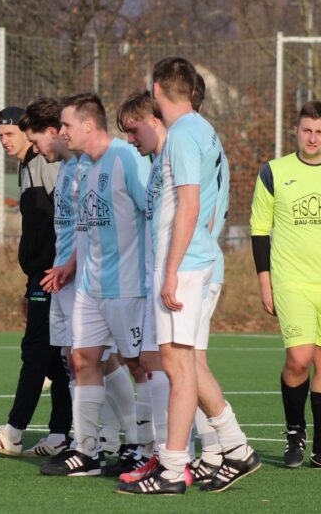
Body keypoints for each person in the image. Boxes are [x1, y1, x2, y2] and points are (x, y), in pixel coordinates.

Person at [120, 57, 258, 495]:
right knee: (191, 364)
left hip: (187, 264)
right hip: (201, 261)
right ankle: (236, 447)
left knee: (178, 368)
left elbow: (190, 206)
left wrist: (172, 270)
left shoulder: (181, 134)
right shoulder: (203, 129)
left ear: (158, 88)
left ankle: (172, 467)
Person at [40, 92, 150, 477]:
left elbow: (151, 216)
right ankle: (87, 451)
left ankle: (145, 447)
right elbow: (85, 227)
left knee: (140, 365)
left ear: (88, 125)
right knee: (82, 360)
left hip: (127, 286)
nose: (62, 132)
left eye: (67, 125)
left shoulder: (127, 159)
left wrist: (154, 275)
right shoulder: (83, 165)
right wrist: (71, 264)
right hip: (89, 285)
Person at [251, 100, 321, 470]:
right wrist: (265, 281)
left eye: (319, 132)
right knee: (299, 359)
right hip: (291, 280)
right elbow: (260, 230)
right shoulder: (273, 172)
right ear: (296, 131)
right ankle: (295, 431)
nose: (312, 138)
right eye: (306, 130)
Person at [0, 106, 72, 457]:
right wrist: (29, 285)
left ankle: (13, 432)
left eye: (8, 134)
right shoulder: (27, 166)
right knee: (57, 359)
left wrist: (52, 274)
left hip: (54, 276)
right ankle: (60, 435)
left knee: (38, 352)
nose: (4, 142)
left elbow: (61, 226)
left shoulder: (50, 163)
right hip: (41, 277)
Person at [114, 90, 171, 483]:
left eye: (133, 131)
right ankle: (153, 450)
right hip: (150, 278)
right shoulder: (151, 163)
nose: (130, 140)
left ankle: (220, 446)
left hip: (173, 277)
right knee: (151, 366)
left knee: (177, 368)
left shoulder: (173, 158)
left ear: (152, 119)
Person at [20, 97, 76, 457]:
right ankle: (67, 438)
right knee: (69, 358)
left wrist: (61, 268)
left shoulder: (76, 167)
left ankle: (135, 442)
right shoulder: (64, 168)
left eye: (34, 140)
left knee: (89, 360)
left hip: (68, 278)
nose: (34, 148)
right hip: (52, 275)